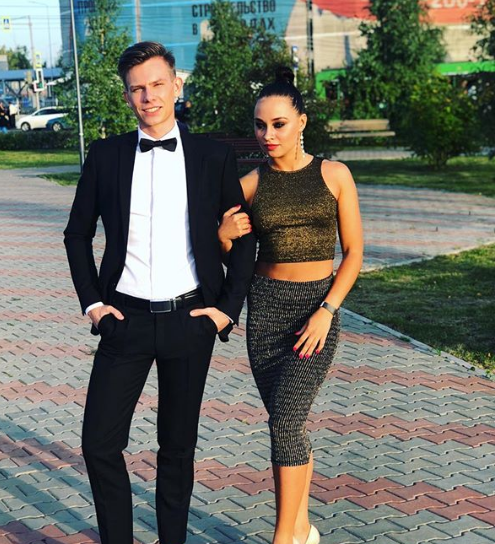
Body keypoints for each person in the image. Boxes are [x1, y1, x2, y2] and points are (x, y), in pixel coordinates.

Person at [63, 41, 256, 544]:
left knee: (177, 449)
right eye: (137, 89)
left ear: (176, 85)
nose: (148, 97)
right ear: (127, 95)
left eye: (156, 84)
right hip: (122, 321)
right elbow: (76, 234)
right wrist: (93, 303)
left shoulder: (213, 156)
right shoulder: (106, 155)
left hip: (189, 321)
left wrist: (226, 311)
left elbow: (243, 237)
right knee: (98, 443)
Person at [217, 67, 363, 544]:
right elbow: (225, 251)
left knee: (284, 420)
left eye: (278, 124)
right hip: (266, 313)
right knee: (289, 425)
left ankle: (283, 538)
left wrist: (327, 311)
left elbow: (354, 253)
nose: (268, 135)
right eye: (260, 125)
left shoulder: (334, 175)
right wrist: (223, 236)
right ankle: (302, 529)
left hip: (315, 312)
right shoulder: (251, 184)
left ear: (301, 121)